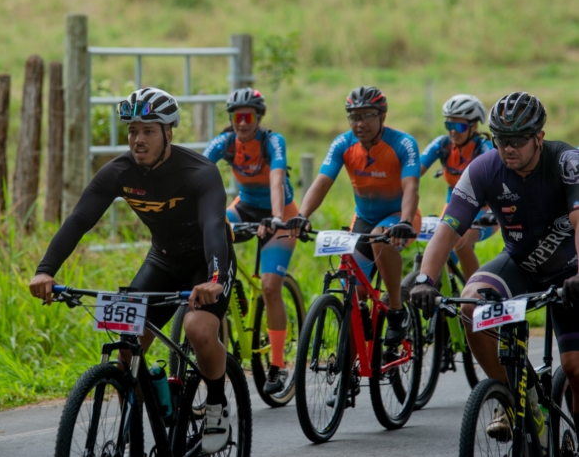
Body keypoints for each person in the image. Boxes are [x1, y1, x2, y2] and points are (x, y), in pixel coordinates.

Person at [29, 87, 236, 453]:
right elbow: (78, 221)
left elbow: (213, 228)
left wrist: (215, 280)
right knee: (127, 344)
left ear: (168, 133)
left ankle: (217, 406)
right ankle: (142, 417)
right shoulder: (118, 172)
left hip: (206, 264)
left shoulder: (199, 172)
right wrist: (45, 270)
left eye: (148, 131)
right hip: (163, 260)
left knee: (198, 328)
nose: (138, 139)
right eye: (132, 131)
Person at [411, 92, 579, 441]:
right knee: (471, 305)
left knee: (575, 368)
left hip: (570, 272)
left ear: (539, 137)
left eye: (518, 140)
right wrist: (426, 279)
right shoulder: (483, 169)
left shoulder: (566, 161)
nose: (508, 148)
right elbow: (448, 228)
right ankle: (515, 395)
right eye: (501, 140)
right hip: (521, 263)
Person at [287, 86, 421, 406]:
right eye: (353, 117)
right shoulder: (343, 144)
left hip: (400, 218)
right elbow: (322, 182)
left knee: (380, 238)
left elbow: (411, 186)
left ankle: (396, 312)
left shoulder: (403, 144)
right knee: (351, 294)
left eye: (367, 116)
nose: (359, 123)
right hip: (363, 219)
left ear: (382, 116)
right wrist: (302, 216)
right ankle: (347, 374)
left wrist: (404, 221)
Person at [203, 87, 297, 395]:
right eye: (237, 117)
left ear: (259, 118)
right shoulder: (226, 142)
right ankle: (233, 289)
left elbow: (277, 179)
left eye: (249, 117)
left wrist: (276, 217)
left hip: (280, 213)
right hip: (244, 207)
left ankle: (278, 365)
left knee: (270, 287)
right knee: (210, 237)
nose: (242, 122)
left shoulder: (273, 142)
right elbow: (199, 171)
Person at [420, 94, 498, 279]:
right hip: (453, 210)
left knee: (460, 242)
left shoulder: (486, 149)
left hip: (483, 213)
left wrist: (492, 213)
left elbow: (498, 183)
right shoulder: (443, 145)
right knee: (440, 265)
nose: (453, 131)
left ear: (474, 126)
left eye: (459, 126)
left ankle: (475, 289)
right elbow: (411, 174)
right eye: (449, 125)